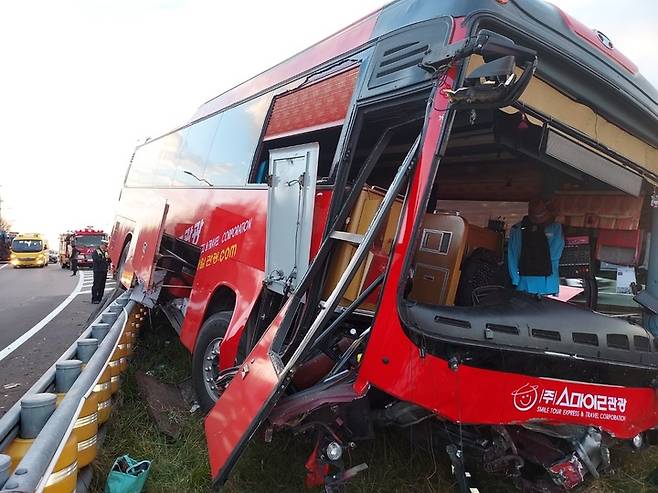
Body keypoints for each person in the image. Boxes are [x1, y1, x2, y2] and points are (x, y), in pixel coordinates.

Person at [508, 198, 564, 296]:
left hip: (524, 280)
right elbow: (555, 255)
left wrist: (515, 279)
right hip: (547, 281)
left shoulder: (516, 229)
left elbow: (512, 256)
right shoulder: (555, 227)